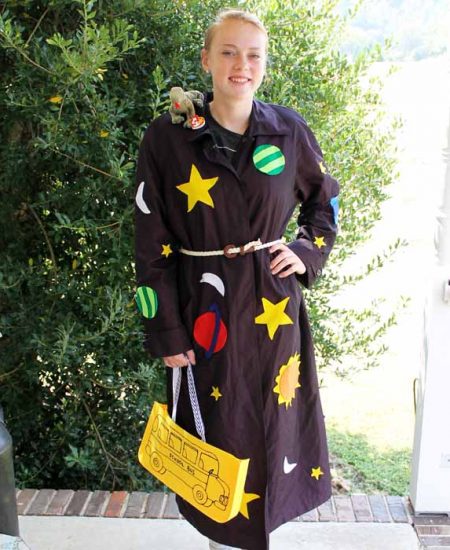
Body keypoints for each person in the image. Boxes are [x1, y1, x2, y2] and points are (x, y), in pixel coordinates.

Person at [134, 8, 339, 550]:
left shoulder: (288, 131)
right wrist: (167, 331)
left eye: (253, 55)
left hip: (275, 315)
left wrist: (305, 251)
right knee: (219, 438)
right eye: (228, 52)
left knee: (272, 432)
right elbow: (149, 240)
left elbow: (325, 202)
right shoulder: (168, 139)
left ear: (264, 64)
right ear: (207, 60)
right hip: (207, 314)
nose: (240, 65)